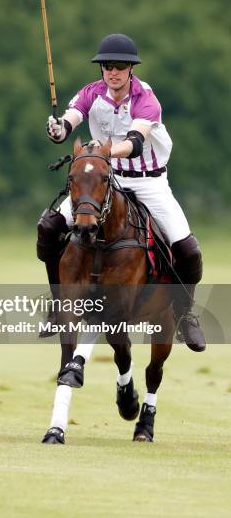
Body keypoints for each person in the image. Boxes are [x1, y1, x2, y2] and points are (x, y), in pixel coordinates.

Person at [37, 33, 205, 351]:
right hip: (108, 181)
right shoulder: (91, 93)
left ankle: (185, 315)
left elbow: (135, 142)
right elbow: (71, 120)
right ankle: (59, 303)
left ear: (131, 69)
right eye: (107, 66)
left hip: (149, 182)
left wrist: (102, 152)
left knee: (188, 250)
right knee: (48, 228)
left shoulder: (146, 99)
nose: (112, 72)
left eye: (119, 66)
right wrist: (59, 128)